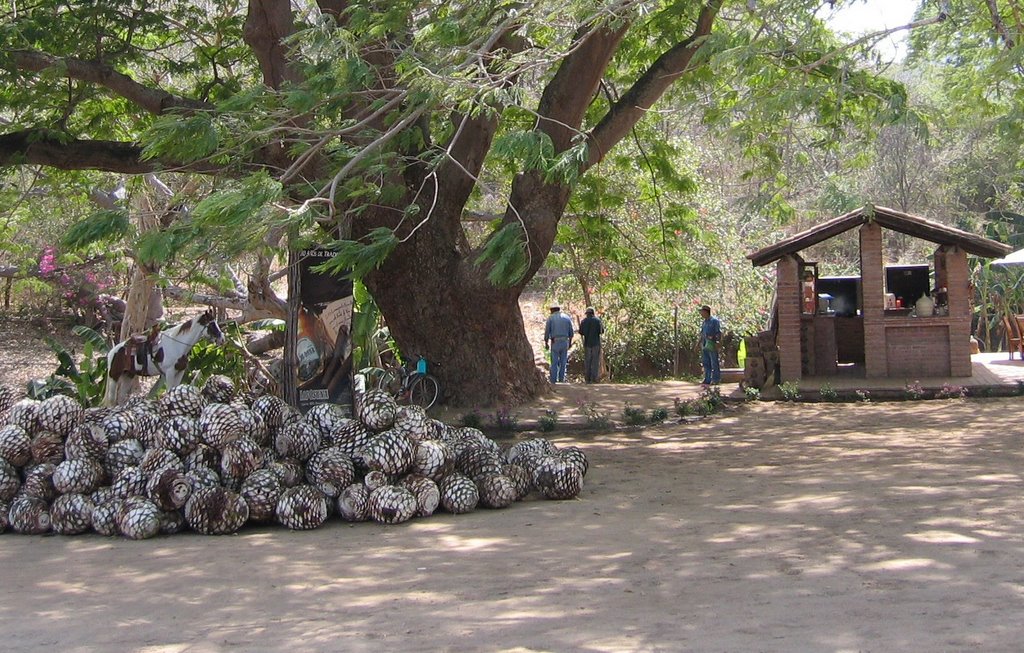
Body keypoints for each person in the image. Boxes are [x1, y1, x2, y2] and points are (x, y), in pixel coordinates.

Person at [543, 303, 574, 383]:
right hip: (564, 341)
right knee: (563, 362)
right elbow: (571, 332)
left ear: (552, 310)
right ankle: (561, 379)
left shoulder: (551, 318)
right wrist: (570, 342)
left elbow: (547, 331)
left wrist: (546, 342)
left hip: (555, 341)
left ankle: (553, 380)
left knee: (554, 362)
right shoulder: (567, 317)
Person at [578, 306, 604, 383]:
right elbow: (601, 331)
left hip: (587, 344)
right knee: (595, 361)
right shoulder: (598, 321)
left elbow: (581, 332)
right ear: (593, 313)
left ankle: (587, 378)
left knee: (588, 361)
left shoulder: (583, 321)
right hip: (596, 343)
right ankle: (594, 378)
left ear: (587, 314)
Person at [699, 304, 722, 386]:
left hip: (712, 343)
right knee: (706, 362)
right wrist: (699, 343)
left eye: (702, 312)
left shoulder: (714, 321)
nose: (701, 314)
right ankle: (707, 379)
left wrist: (718, 342)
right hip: (705, 344)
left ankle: (716, 379)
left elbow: (718, 332)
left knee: (714, 362)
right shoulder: (704, 322)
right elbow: (702, 334)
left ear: (706, 312)